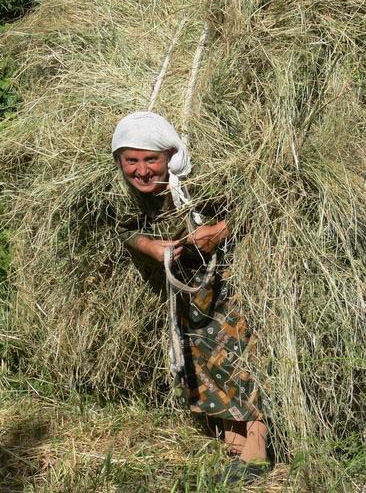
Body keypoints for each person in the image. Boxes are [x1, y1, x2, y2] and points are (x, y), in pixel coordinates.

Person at [111, 111, 271, 484]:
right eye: (131, 160)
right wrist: (149, 246)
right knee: (201, 353)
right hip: (189, 291)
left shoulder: (202, 178)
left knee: (237, 351)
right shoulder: (120, 191)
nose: (142, 170)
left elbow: (257, 199)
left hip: (230, 278)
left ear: (169, 156)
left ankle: (257, 447)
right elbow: (122, 227)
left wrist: (217, 230)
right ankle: (234, 437)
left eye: (151, 159)